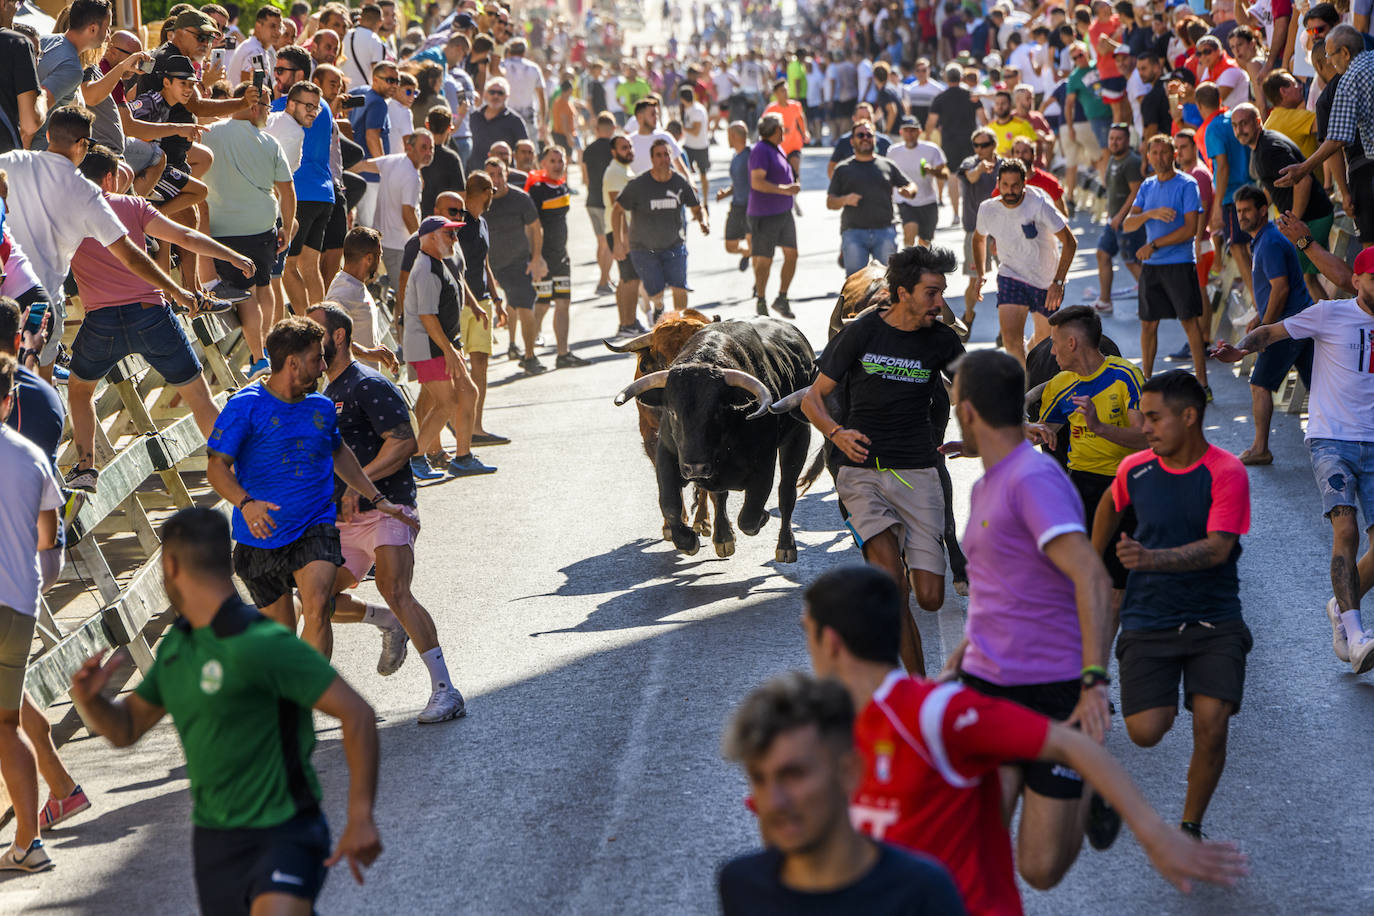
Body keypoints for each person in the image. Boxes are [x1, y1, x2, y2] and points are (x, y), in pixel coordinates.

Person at [803, 564, 1251, 911]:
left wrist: (1155, 835)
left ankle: (1074, 790)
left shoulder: (937, 714)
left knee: (1040, 868)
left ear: (832, 643)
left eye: (806, 633)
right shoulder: (827, 732)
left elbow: (1069, 742)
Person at [69, 506, 382, 911]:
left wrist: (360, 817)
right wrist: (89, 701)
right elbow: (125, 728)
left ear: (170, 564)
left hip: (286, 829)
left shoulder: (262, 642)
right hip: (215, 842)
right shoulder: (178, 648)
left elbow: (357, 713)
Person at [939, 347, 1117, 890]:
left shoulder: (1031, 481)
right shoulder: (984, 484)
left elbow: (1091, 577)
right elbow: (1000, 590)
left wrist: (1093, 684)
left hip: (1054, 692)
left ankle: (1087, 781)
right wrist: (956, 664)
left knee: (1039, 869)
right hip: (990, 686)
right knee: (975, 844)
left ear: (967, 411)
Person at [1090, 370, 1252, 838]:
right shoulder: (1135, 469)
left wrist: (1149, 558)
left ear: (1189, 417)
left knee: (1212, 720)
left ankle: (1189, 826)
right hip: (1149, 616)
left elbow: (1218, 548)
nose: (1144, 427)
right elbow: (1109, 504)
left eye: (1154, 418)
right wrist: (1090, 561)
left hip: (1214, 618)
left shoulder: (1226, 471)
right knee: (1145, 731)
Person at [206, 316, 417, 657]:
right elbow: (216, 468)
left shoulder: (321, 407)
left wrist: (375, 497)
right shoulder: (245, 406)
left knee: (318, 606)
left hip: (315, 525)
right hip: (260, 532)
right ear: (292, 362)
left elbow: (340, 454)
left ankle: (311, 698)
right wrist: (246, 504)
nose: (322, 366)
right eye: (316, 358)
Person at [801, 246, 965, 675]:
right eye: (932, 293)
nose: (940, 303)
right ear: (902, 293)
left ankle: (911, 564)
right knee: (894, 591)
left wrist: (1007, 431)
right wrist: (836, 433)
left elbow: (977, 392)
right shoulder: (861, 332)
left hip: (918, 474)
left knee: (930, 596)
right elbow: (813, 400)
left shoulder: (943, 340)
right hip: (861, 475)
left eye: (942, 293)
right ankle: (918, 692)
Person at [1214, 247, 1374, 675]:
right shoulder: (1329, 314)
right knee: (1346, 528)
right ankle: (1357, 634)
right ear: (1356, 281)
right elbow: (1271, 333)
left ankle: (1341, 607)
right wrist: (1241, 351)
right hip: (1331, 439)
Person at [64, 144, 254, 494]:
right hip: (151, 316)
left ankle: (85, 466)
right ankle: (236, 466)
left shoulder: (68, 214)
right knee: (199, 398)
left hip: (100, 322)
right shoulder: (132, 206)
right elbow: (185, 235)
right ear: (109, 177)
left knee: (80, 390)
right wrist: (232, 255)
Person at [309, 304, 467, 723]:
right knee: (318, 601)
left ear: (338, 337)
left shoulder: (368, 384)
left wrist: (361, 486)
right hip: (344, 520)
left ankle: (446, 691)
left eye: (316, 330)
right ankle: (385, 622)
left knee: (396, 590)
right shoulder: (326, 395)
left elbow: (403, 444)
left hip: (388, 508)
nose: (310, 337)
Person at [717, 673, 966, 915]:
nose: (774, 802)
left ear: (850, 772)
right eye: (759, 779)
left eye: (793, 775)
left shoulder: (923, 893)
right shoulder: (741, 886)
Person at [0, 106, 195, 381]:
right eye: (89, 144)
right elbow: (130, 256)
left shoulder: (12, 161)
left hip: (4, 289)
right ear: (81, 144)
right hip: (41, 306)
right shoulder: (85, 192)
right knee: (33, 386)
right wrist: (175, 289)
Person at [1035, 305, 1148, 604]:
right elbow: (1042, 430)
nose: (1051, 353)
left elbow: (1145, 439)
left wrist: (1098, 426)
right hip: (1081, 485)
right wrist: (1024, 428)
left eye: (1054, 344)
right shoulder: (1060, 385)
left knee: (1117, 584)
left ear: (1071, 343)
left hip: (1125, 484)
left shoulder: (1126, 375)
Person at [0, 353, 61, 872]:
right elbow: (47, 538)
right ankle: (28, 842)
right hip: (20, 604)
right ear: (9, 400)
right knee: (7, 724)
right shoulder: (33, 457)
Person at [201, 84, 297, 380]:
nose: (268, 115)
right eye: (268, 108)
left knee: (250, 294)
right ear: (255, 106)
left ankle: (259, 354)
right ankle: (259, 353)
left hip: (220, 231)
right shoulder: (269, 143)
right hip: (260, 229)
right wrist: (287, 228)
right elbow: (288, 192)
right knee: (262, 288)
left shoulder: (209, 133)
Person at [402, 215, 494, 478]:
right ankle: (417, 458)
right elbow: (427, 317)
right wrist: (449, 350)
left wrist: (473, 308)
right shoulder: (426, 270)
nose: (455, 239)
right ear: (431, 238)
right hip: (429, 347)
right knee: (446, 403)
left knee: (468, 393)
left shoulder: (440, 263)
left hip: (443, 345)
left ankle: (463, 457)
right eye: (449, 234)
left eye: (455, 234)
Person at [1231, 184, 1315, 466]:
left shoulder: (1269, 243)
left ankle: (1260, 448)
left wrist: (1264, 331)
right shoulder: (1263, 240)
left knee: (1259, 384)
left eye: (1247, 210)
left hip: (1287, 326)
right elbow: (1272, 290)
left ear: (1263, 210)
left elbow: (1280, 288)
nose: (1242, 216)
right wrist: (1259, 316)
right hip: (1296, 323)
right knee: (1318, 384)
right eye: (1239, 211)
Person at [1123, 135, 1210, 394]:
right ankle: (1145, 383)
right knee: (1148, 324)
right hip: (1153, 266)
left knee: (1189, 323)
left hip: (1179, 263)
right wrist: (1149, 214)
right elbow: (1128, 224)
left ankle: (1203, 384)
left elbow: (1190, 229)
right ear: (1148, 156)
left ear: (1174, 154)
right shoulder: (1147, 186)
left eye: (1164, 152)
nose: (1159, 157)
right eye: (1154, 152)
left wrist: (1155, 244)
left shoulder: (1186, 184)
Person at [971, 159, 1076, 366]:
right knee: (1011, 342)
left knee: (1044, 344)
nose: (1010, 191)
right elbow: (978, 238)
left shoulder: (1039, 205)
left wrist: (1058, 282)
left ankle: (1031, 355)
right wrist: (981, 273)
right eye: (1005, 185)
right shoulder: (988, 209)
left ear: (1024, 184)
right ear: (998, 183)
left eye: (1015, 185)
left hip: (1045, 280)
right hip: (1011, 275)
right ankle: (1022, 393)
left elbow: (1070, 242)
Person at [1230, 104, 1337, 306]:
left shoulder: (1269, 149)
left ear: (1258, 122)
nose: (1239, 130)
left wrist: (1294, 218)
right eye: (1235, 125)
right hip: (1309, 216)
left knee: (1306, 279)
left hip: (1313, 216)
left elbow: (1302, 181)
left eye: (1244, 123)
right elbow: (1275, 185)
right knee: (1306, 279)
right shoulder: (1262, 146)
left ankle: (1332, 323)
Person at [612, 138, 708, 317]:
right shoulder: (638, 185)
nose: (663, 159)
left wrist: (703, 221)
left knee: (679, 287)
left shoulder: (679, 183)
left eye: (666, 154)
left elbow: (696, 207)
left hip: (674, 245)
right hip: (644, 249)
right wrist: (618, 242)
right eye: (659, 155)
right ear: (652, 159)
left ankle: (680, 322)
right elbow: (616, 211)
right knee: (656, 293)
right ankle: (658, 306)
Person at [350, 128, 434, 301]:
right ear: (409, 148)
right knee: (407, 299)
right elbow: (408, 213)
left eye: (431, 148)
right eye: (423, 147)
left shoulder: (394, 160)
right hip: (398, 248)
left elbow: (363, 166)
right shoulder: (412, 176)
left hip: (379, 242)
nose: (428, 152)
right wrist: (423, 243)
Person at [827, 122, 919, 276]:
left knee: (887, 284)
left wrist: (908, 190)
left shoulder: (887, 165)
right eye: (860, 135)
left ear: (875, 139)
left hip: (885, 232)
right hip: (853, 234)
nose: (865, 138)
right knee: (856, 286)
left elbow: (911, 185)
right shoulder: (843, 168)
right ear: (852, 141)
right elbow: (830, 202)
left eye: (869, 135)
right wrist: (845, 200)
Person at [527, 146, 588, 369]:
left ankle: (563, 354)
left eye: (560, 160)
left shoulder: (562, 185)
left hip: (561, 257)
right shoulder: (536, 189)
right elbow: (532, 227)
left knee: (563, 302)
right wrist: (535, 257)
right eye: (552, 161)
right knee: (542, 305)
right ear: (543, 164)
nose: (557, 164)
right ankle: (529, 353)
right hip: (542, 258)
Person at [483, 156, 546, 372]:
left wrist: (536, 258)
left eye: (500, 174)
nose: (496, 179)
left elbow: (536, 228)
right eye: (491, 175)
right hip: (489, 266)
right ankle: (512, 346)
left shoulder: (520, 199)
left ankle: (529, 356)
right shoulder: (481, 200)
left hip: (518, 263)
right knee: (511, 304)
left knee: (525, 305)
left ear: (506, 174)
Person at [746, 112, 800, 318]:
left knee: (792, 255)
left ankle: (782, 298)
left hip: (784, 213)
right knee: (765, 260)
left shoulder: (776, 147)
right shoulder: (760, 149)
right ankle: (761, 299)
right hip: (764, 214)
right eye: (783, 128)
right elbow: (757, 182)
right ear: (777, 130)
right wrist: (786, 189)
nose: (784, 131)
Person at [1091, 124, 1144, 316]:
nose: (1114, 142)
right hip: (1113, 221)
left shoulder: (1132, 162)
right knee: (1102, 254)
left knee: (1133, 262)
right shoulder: (1113, 159)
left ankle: (1150, 303)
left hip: (1128, 222)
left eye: (1119, 138)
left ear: (1127, 140)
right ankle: (1105, 301)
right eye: (1111, 138)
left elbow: (1136, 192)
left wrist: (1121, 217)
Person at [926, 65, 981, 220]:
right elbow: (983, 117)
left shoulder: (940, 98)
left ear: (946, 78)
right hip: (970, 140)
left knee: (952, 176)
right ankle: (973, 212)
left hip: (949, 141)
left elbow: (931, 121)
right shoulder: (971, 95)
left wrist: (928, 136)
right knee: (971, 175)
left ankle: (956, 214)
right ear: (961, 77)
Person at [602, 134, 645, 338]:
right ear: (613, 152)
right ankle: (628, 324)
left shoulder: (624, 169)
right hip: (621, 231)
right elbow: (617, 208)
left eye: (629, 146)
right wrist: (621, 240)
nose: (628, 150)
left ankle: (628, 322)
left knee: (627, 279)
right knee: (631, 279)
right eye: (623, 147)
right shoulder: (615, 172)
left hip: (626, 231)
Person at [957, 127, 998, 328]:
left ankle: (1005, 326)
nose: (980, 149)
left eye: (985, 145)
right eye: (977, 145)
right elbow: (971, 177)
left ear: (994, 145)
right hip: (976, 231)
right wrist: (980, 169)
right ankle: (969, 315)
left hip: (1002, 231)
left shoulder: (1005, 166)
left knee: (1009, 279)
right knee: (974, 280)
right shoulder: (969, 163)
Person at [887, 116, 945, 249]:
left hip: (928, 201)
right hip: (904, 200)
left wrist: (933, 171)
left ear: (920, 132)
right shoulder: (893, 151)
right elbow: (889, 176)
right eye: (906, 131)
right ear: (901, 133)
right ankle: (908, 263)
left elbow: (945, 173)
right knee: (910, 230)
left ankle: (921, 265)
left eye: (913, 131)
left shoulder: (931, 149)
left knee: (925, 242)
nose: (909, 134)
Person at [581, 112, 617, 297]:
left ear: (596, 129)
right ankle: (603, 281)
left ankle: (606, 278)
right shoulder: (614, 149)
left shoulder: (588, 150)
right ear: (613, 128)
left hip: (591, 200)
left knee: (601, 243)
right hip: (606, 202)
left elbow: (585, 178)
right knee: (609, 244)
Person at [467, 76, 528, 173]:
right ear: (485, 94)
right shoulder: (473, 117)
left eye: (500, 93)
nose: (496, 96)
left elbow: (524, 150)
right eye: (492, 92)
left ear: (506, 96)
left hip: (502, 176)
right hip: (474, 173)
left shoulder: (515, 121)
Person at [718, 121, 753, 273]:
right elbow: (739, 182)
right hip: (736, 206)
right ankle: (747, 253)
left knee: (752, 241)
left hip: (751, 207)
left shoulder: (750, 156)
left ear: (733, 136)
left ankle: (759, 285)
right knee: (730, 245)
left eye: (728, 135)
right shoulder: (736, 156)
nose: (727, 139)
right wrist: (727, 192)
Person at [341, 2, 388, 89]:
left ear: (360, 19)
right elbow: (378, 72)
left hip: (343, 90)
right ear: (380, 22)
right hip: (363, 93)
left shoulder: (345, 35)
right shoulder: (376, 41)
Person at [679, 84, 712, 206]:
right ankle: (692, 202)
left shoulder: (697, 110)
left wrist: (682, 128)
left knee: (703, 174)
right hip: (689, 145)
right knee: (685, 173)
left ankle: (705, 201)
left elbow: (696, 131)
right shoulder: (688, 109)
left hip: (700, 146)